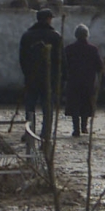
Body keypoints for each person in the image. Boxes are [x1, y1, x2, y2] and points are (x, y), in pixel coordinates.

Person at [19, 8, 64, 141]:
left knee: (30, 105)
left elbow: (22, 59)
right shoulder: (55, 36)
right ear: (48, 19)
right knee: (47, 106)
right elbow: (61, 59)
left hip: (31, 77)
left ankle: (30, 131)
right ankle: (46, 133)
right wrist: (61, 77)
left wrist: (27, 73)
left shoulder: (27, 36)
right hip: (49, 78)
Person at [64, 24, 105, 138]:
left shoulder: (69, 49)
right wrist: (103, 81)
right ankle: (84, 126)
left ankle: (76, 128)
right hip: (88, 82)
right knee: (86, 104)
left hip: (73, 81)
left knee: (75, 105)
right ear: (87, 35)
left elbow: (64, 65)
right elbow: (99, 66)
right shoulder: (93, 49)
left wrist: (63, 79)